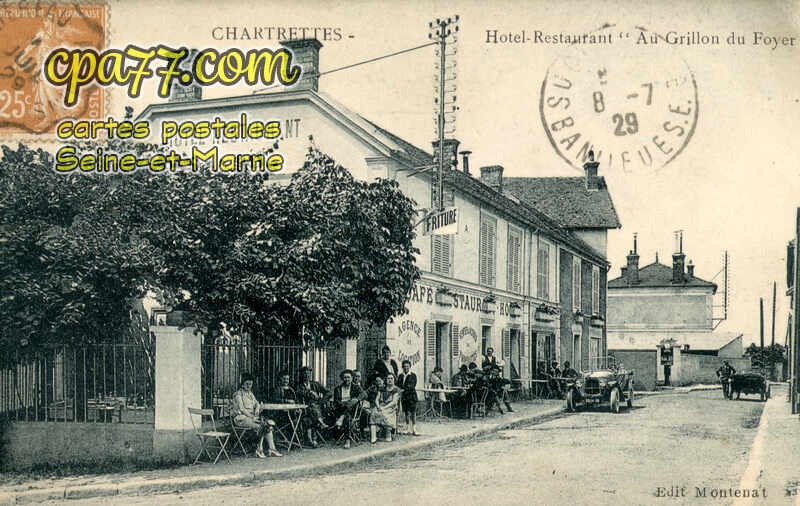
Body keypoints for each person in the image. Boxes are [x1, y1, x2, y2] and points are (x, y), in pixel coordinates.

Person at [231, 373, 282, 458]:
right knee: (262, 426)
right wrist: (252, 417)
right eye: (247, 384)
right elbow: (242, 409)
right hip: (241, 418)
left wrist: (257, 409)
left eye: (250, 384)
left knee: (268, 425)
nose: (249, 386)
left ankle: (272, 449)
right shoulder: (238, 394)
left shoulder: (250, 394)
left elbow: (257, 403)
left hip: (250, 418)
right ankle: (259, 449)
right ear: (242, 384)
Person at [296, 366, 330, 448]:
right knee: (310, 414)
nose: (306, 376)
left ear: (310, 375)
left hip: (317, 408)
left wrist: (321, 401)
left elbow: (329, 393)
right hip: (304, 409)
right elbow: (300, 394)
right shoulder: (299, 386)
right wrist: (311, 392)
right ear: (301, 375)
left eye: (308, 374)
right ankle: (314, 438)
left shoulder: (316, 384)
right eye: (304, 374)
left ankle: (311, 440)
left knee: (311, 415)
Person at [332, 369, 366, 449]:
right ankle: (347, 439)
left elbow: (364, 394)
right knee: (347, 412)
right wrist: (344, 404)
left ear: (351, 378)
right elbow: (336, 401)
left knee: (350, 408)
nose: (347, 379)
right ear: (342, 379)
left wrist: (357, 399)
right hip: (340, 409)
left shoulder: (356, 387)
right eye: (345, 377)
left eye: (348, 377)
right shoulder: (338, 388)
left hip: (353, 411)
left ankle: (347, 439)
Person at [369, 373, 400, 443]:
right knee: (374, 413)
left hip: (391, 407)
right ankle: (373, 436)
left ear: (394, 380)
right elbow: (377, 399)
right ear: (386, 380)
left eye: (391, 378)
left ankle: (388, 434)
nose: (390, 380)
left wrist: (385, 408)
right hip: (381, 405)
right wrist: (378, 406)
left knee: (386, 414)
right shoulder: (382, 389)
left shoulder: (396, 390)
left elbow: (394, 402)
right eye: (388, 378)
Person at [397, 360, 419, 436]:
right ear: (402, 367)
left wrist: (403, 389)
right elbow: (398, 385)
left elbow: (412, 386)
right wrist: (400, 390)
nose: (406, 368)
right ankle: (407, 428)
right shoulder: (400, 376)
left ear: (410, 367)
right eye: (404, 367)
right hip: (404, 397)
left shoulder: (413, 375)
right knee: (406, 412)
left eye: (407, 366)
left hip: (412, 396)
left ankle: (414, 429)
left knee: (413, 413)